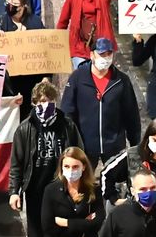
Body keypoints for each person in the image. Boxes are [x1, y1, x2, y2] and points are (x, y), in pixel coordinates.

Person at [8, 79, 81, 237]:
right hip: (36, 191)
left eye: (48, 100)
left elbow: (79, 154)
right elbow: (17, 163)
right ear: (33, 103)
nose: (44, 105)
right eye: (40, 101)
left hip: (61, 191)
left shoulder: (67, 125)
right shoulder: (25, 128)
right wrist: (14, 191)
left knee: (61, 234)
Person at [60, 38, 140, 199]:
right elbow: (67, 112)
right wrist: (70, 142)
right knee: (83, 185)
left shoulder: (121, 80)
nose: (106, 57)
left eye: (109, 53)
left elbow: (131, 113)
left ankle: (112, 213)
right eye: (102, 54)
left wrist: (135, 144)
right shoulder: (78, 78)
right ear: (92, 55)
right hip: (85, 145)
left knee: (115, 186)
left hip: (114, 143)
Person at [57, 0, 129, 67]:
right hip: (80, 47)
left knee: (102, 79)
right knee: (83, 79)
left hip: (102, 47)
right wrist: (57, 45)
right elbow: (63, 21)